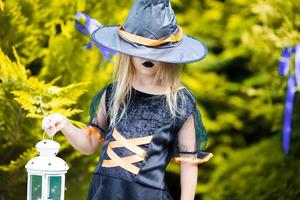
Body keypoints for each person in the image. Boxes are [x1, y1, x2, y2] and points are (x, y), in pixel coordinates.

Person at [42, 0, 213, 199]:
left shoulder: (179, 102)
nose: (147, 56)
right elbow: (89, 144)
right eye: (139, 48)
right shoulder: (115, 93)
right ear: (128, 50)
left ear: (169, 54)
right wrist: (64, 124)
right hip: (103, 193)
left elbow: (188, 163)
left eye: (155, 50)